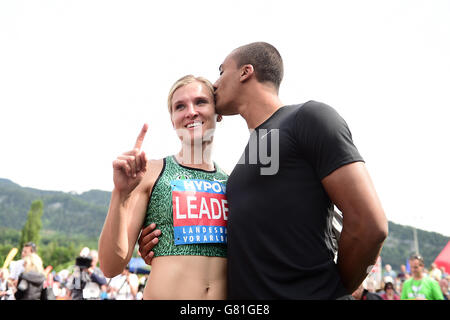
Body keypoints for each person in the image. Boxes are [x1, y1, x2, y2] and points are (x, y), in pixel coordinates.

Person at [139, 42, 388, 299]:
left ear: (245, 72)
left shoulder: (309, 117)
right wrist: (165, 244)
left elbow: (371, 226)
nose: (215, 83)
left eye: (221, 71)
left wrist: (335, 290)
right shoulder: (244, 161)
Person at [98, 75, 228, 299]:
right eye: (180, 106)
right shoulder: (150, 172)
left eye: (200, 102)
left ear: (218, 112)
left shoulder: (233, 183)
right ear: (172, 120)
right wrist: (120, 194)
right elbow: (111, 267)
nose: (191, 112)